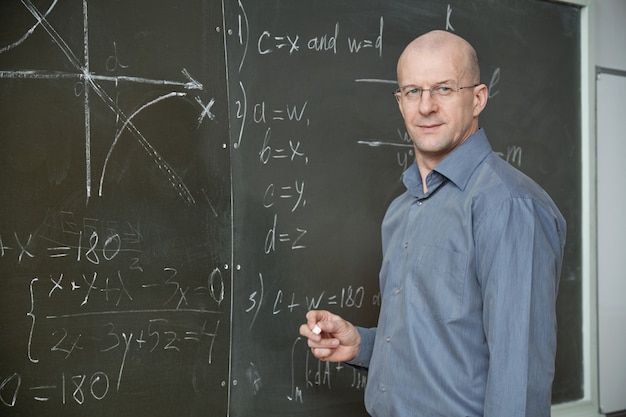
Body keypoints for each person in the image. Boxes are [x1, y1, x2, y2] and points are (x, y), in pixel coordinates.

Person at [299, 30, 566, 417]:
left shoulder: (508, 206)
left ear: (477, 99)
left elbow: (518, 381)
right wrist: (362, 345)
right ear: (400, 102)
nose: (425, 106)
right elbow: (443, 346)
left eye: (443, 88)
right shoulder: (401, 211)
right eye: (412, 91)